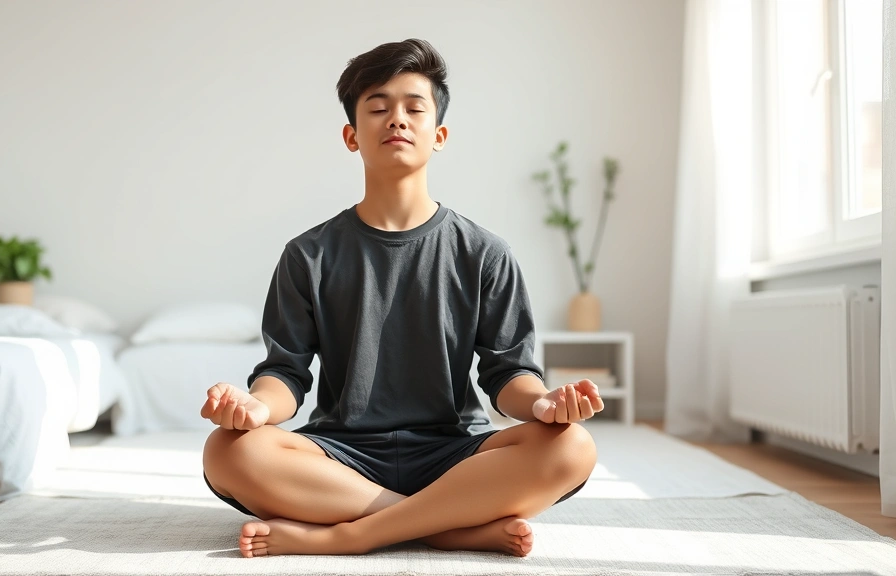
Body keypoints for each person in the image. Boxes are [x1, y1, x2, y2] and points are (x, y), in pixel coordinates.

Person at [200, 38, 603, 558]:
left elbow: (508, 375)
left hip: (456, 452)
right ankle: (445, 527)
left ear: (439, 135)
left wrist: (543, 403)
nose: (397, 119)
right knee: (227, 452)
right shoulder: (308, 254)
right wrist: (255, 406)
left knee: (572, 447)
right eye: (378, 107)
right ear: (352, 136)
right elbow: (287, 373)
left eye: (414, 108)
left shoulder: (485, 253)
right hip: (339, 455)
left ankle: (353, 534)